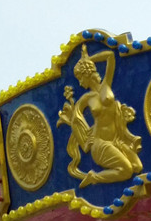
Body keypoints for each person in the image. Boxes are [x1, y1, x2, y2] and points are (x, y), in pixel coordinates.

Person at [59, 46, 144, 187]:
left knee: (138, 167)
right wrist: (85, 141)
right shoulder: (87, 98)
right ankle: (94, 177)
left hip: (116, 141)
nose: (80, 83)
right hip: (100, 145)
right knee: (127, 171)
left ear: (87, 74)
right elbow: (75, 119)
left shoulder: (106, 85)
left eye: (80, 78)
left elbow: (110, 56)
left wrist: (89, 59)